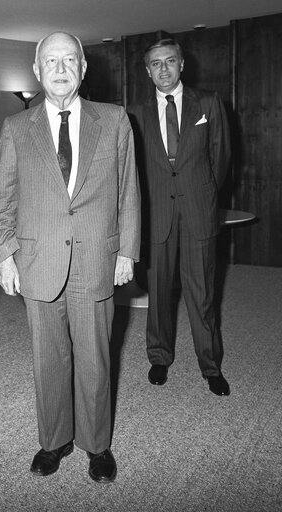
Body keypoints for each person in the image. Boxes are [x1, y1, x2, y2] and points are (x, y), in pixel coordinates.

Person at [0, 32, 140, 483]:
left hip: (97, 258)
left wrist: (128, 251)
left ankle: (97, 446)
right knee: (48, 359)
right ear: (36, 71)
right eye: (50, 61)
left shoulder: (114, 120)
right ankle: (53, 441)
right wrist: (5, 256)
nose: (59, 68)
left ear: (83, 68)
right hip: (39, 263)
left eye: (68, 60)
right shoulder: (17, 128)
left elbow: (129, 192)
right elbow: (2, 202)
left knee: (95, 359)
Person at [127, 38, 231, 396]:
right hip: (157, 216)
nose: (164, 69)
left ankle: (210, 365)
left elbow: (221, 159)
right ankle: (159, 356)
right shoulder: (134, 113)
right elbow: (132, 170)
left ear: (182, 64)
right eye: (156, 64)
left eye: (170, 61)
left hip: (198, 213)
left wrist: (202, 194)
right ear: (147, 70)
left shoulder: (208, 103)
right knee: (158, 293)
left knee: (202, 294)